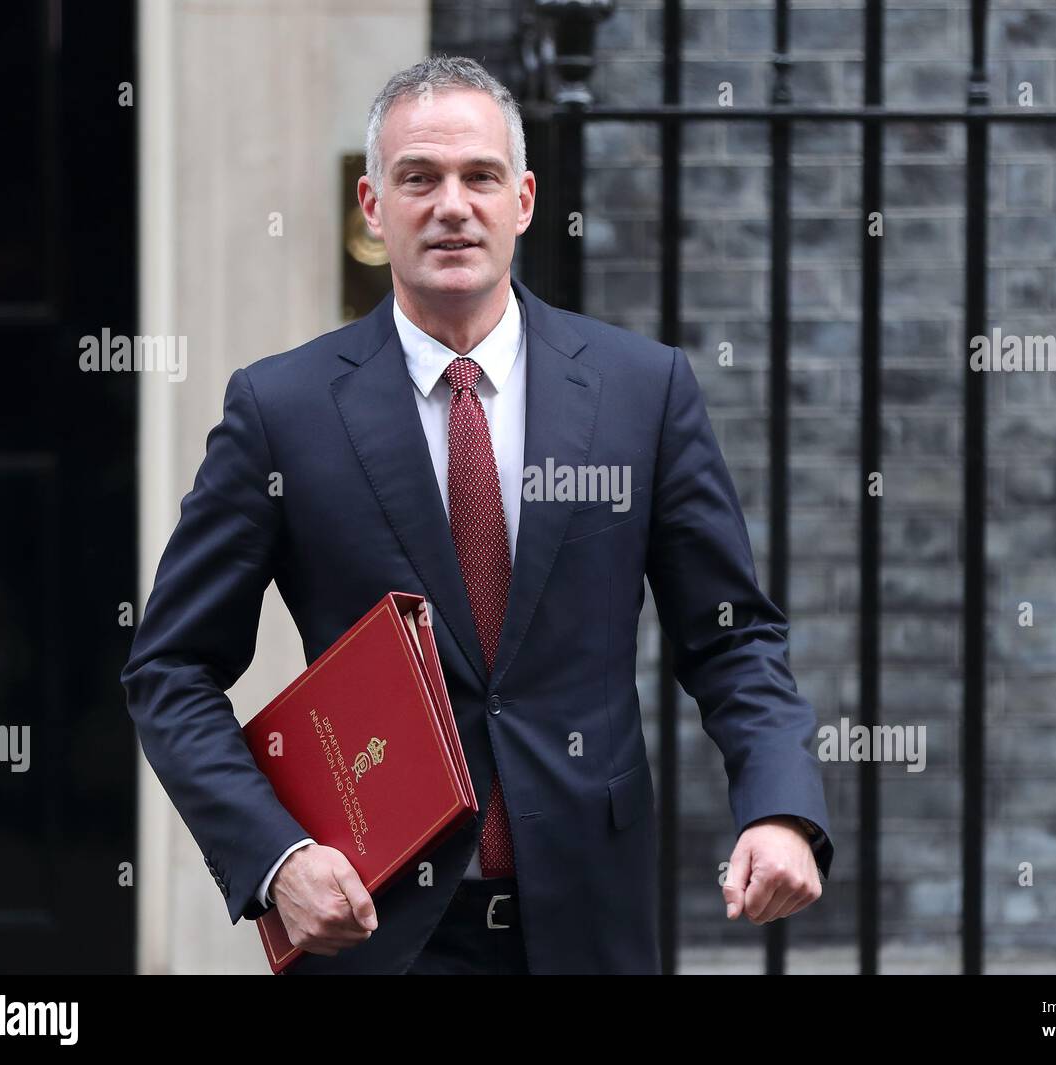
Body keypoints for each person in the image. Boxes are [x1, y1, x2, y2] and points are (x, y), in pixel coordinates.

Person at [121, 53, 832, 976]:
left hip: (590, 917)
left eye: (479, 177)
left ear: (524, 199)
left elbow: (732, 636)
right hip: (376, 928)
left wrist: (779, 804)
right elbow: (170, 667)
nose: (451, 204)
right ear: (374, 207)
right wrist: (276, 857)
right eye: (418, 178)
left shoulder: (639, 390)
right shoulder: (281, 411)